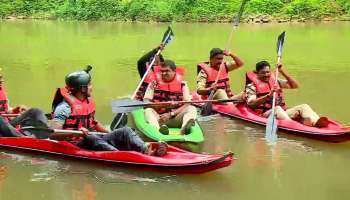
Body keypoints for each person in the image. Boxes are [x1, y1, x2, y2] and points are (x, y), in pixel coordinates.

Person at [50, 66, 167, 156]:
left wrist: (110, 133)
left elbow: (94, 123)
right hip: (75, 144)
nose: (92, 87)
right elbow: (53, 134)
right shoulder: (63, 108)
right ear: (82, 88)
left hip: (93, 139)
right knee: (90, 137)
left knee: (125, 131)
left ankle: (144, 148)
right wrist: (75, 131)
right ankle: (120, 156)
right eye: (89, 85)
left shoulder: (87, 101)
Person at [245, 60, 329, 127]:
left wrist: (283, 72)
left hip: (283, 112)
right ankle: (297, 126)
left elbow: (295, 85)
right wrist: (268, 96)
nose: (266, 75)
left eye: (268, 72)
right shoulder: (251, 86)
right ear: (257, 73)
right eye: (263, 72)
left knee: (304, 106)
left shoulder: (275, 81)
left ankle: (315, 122)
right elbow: (251, 104)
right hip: (265, 114)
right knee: (277, 108)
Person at [143, 60, 197, 135]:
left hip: (175, 117)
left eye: (167, 71)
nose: (164, 73)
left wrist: (172, 114)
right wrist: (163, 105)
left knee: (192, 108)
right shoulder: (153, 83)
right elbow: (146, 102)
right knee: (148, 110)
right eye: (162, 71)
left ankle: (183, 129)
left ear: (174, 71)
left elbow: (187, 103)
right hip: (159, 118)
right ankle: (158, 131)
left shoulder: (183, 84)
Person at [0, 68, 48, 137]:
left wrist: (15, 109)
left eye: (1, 77)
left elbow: (6, 111)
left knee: (35, 111)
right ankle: (24, 139)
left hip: (7, 126)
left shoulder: (1, 91)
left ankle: (44, 134)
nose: (2, 80)